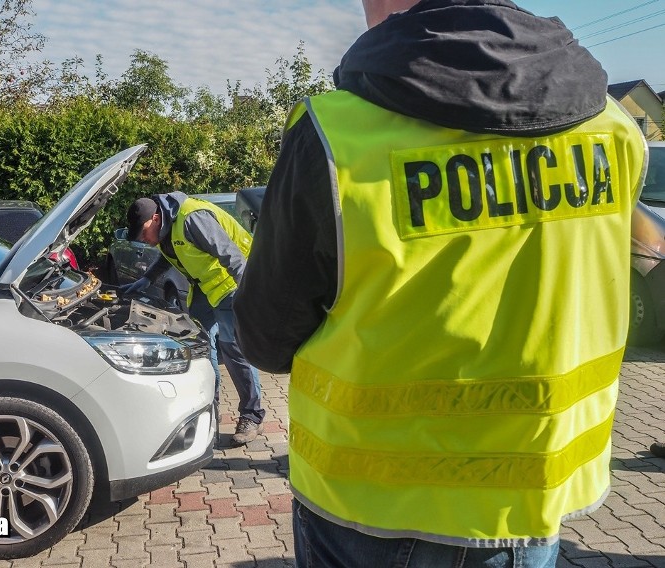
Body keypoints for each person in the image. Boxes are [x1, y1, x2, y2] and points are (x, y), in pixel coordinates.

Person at [233, 1, 647, 567]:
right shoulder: (617, 131)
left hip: (373, 511)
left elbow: (265, 336)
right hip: (534, 506)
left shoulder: (336, 135)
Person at [122, 192, 265, 445]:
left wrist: (250, 292)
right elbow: (168, 258)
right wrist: (145, 279)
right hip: (204, 290)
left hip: (233, 284)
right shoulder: (165, 231)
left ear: (155, 218)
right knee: (201, 352)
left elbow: (230, 254)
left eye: (143, 232)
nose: (143, 239)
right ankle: (210, 413)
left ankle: (251, 415)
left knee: (234, 350)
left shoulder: (192, 218)